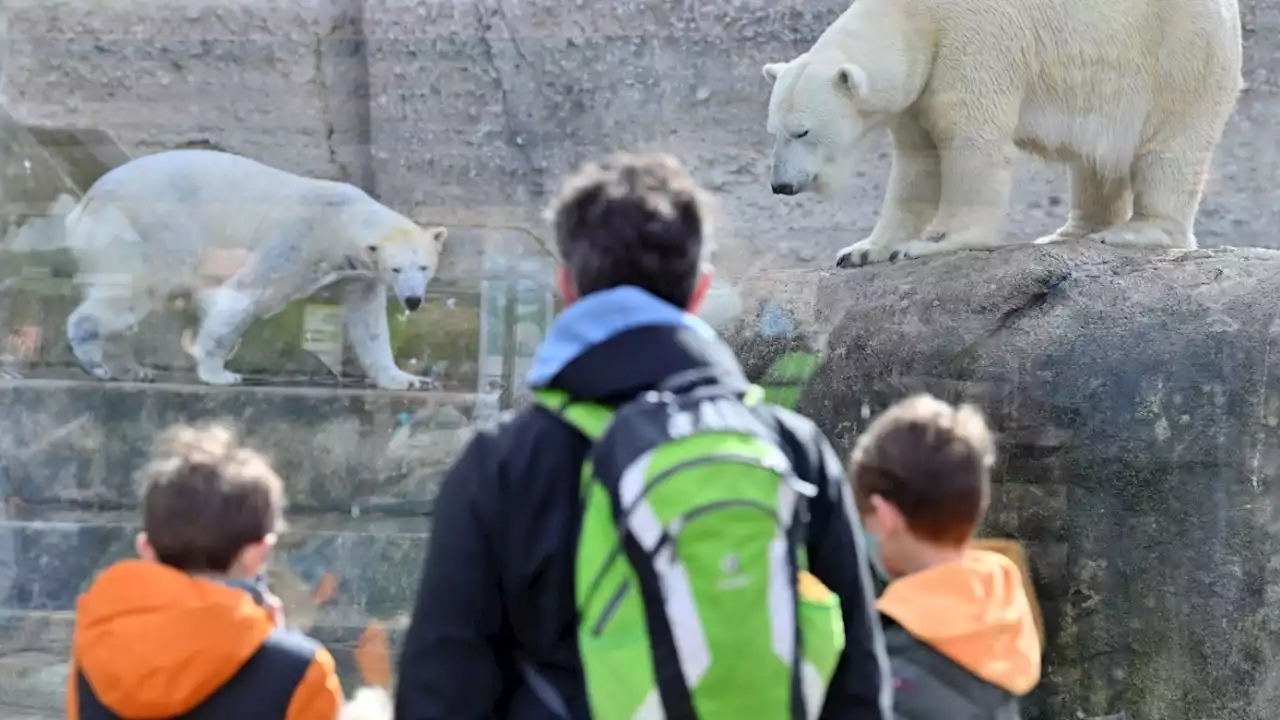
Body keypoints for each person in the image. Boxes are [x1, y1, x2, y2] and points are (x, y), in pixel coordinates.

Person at [395, 151, 893, 719]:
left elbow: (440, 691)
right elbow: (859, 686)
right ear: (701, 291)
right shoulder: (792, 450)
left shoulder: (506, 464)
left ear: (567, 286)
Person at [66, 422, 345, 720]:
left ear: (146, 548)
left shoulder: (97, 646)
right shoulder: (300, 669)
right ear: (259, 552)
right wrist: (276, 644)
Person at [850, 394, 1043, 719]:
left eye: (863, 518)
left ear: (884, 517)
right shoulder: (1004, 618)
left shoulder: (894, 665)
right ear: (978, 506)